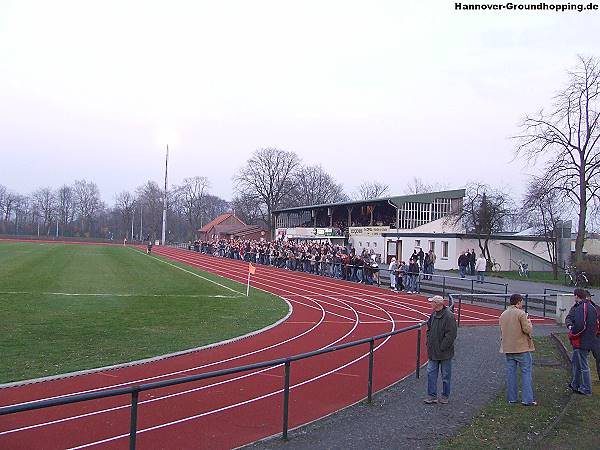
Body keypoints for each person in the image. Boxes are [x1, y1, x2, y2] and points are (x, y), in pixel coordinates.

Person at [499, 294, 536, 406]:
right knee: (526, 372)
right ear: (518, 302)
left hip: (508, 348)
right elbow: (527, 329)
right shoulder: (521, 314)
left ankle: (512, 398)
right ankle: (527, 399)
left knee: (511, 373)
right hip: (521, 347)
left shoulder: (503, 314)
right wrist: (530, 323)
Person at [424, 295, 458, 404]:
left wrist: (442, 347)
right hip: (433, 351)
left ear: (438, 304)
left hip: (444, 353)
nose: (430, 304)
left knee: (446, 376)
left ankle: (445, 395)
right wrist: (429, 342)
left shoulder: (449, 316)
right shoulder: (433, 315)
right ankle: (432, 395)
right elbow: (429, 328)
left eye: (432, 302)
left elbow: (451, 334)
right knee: (430, 373)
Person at [566, 288, 598, 395]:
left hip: (582, 341)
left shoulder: (581, 307)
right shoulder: (592, 307)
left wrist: (572, 332)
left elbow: (580, 325)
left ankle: (586, 388)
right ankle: (576, 384)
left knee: (583, 365)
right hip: (589, 339)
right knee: (579, 363)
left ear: (576, 296)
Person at [586, 290, 600, 382]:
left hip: (596, 336)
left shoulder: (597, 308)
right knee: (581, 359)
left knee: (598, 357)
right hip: (584, 337)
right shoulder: (577, 308)